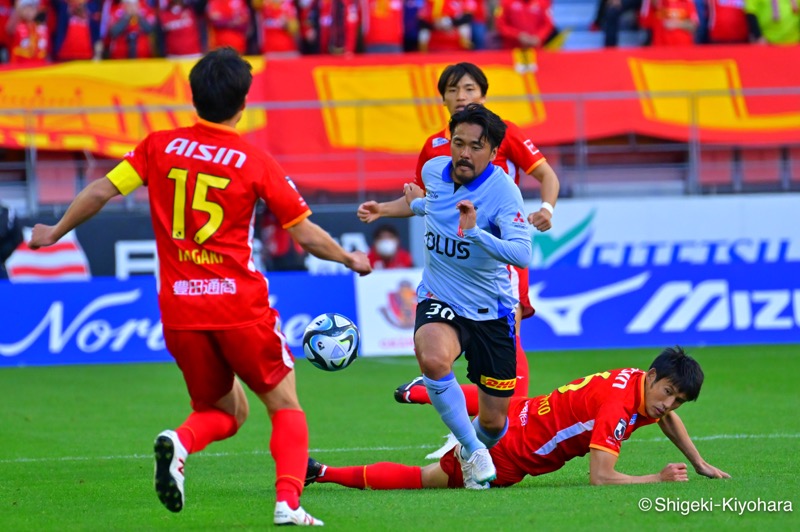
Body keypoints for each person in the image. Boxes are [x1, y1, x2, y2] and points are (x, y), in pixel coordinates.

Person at [28, 47, 372, 526]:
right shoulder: (254, 160)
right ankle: (288, 503)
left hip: (180, 311)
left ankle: (180, 441)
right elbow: (304, 233)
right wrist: (349, 257)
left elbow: (103, 189)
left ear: (193, 97)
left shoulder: (158, 146)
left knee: (227, 412)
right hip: (239, 306)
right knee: (284, 404)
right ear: (243, 103)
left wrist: (55, 230)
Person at [357, 62, 560, 459]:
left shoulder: (505, 134)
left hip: (497, 262)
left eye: (469, 88)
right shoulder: (436, 150)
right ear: (444, 99)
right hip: (450, 271)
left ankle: (497, 419)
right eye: (453, 90)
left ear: (482, 94)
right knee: (438, 352)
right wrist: (382, 208)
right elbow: (423, 200)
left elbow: (546, 176)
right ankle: (465, 430)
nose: (461, 96)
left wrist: (548, 209)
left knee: (507, 336)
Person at [305, 347, 731, 490]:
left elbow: (665, 419)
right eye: (668, 393)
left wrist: (698, 461)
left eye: (677, 401)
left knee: (502, 401)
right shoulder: (619, 408)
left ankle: (422, 391)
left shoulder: (638, 382)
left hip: (524, 413)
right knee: (425, 478)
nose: (668, 406)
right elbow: (601, 477)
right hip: (510, 455)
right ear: (653, 377)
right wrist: (655, 479)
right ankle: (322, 472)